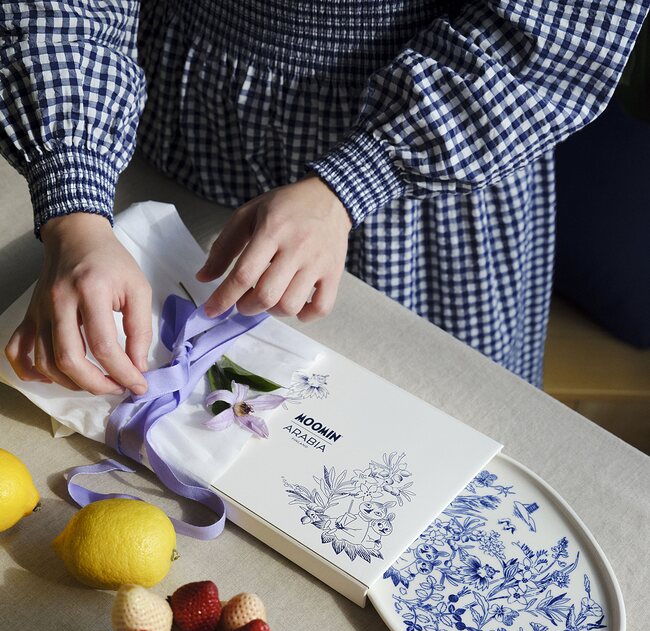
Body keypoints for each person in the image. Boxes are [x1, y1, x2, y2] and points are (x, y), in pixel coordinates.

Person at [1, 1, 647, 396]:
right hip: (177, 122)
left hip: (425, 181)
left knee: (405, 441)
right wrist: (76, 205)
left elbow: (561, 24)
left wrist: (357, 178)